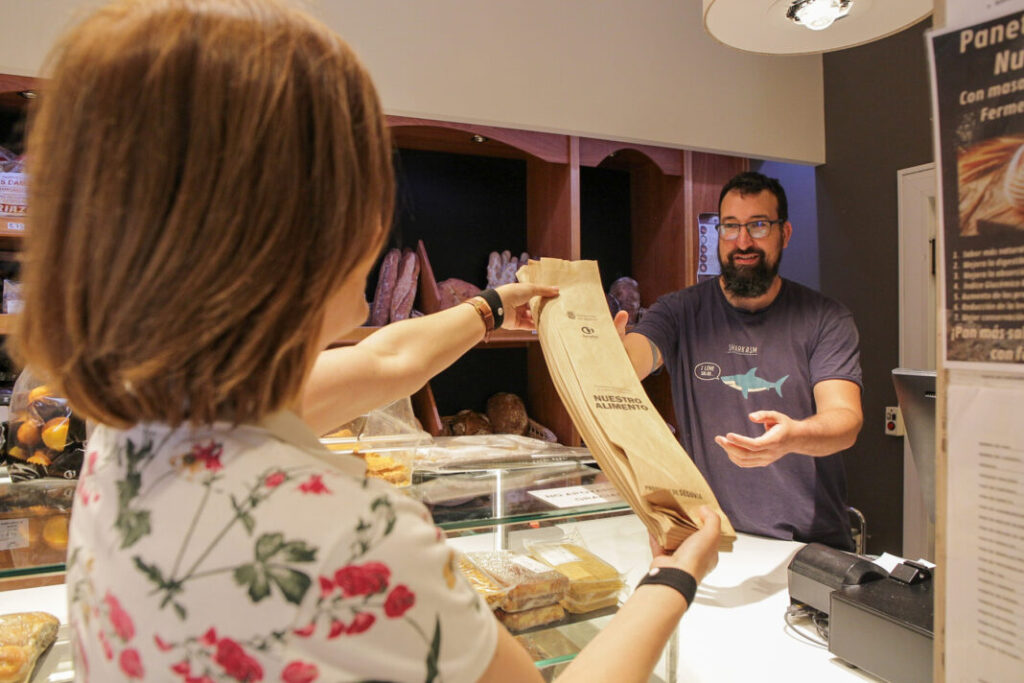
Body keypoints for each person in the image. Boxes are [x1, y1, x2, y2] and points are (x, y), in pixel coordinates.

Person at [14, 1, 721, 681]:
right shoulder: (352, 540)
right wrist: (671, 577)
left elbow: (387, 360)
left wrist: (492, 305)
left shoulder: (138, 419)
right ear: (293, 231)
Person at [617, 171, 863, 550]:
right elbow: (632, 361)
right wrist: (607, 355)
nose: (742, 241)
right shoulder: (679, 311)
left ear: (785, 233)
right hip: (712, 539)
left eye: (759, 226)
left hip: (811, 547)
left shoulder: (825, 318)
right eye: (730, 227)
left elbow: (845, 421)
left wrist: (793, 437)